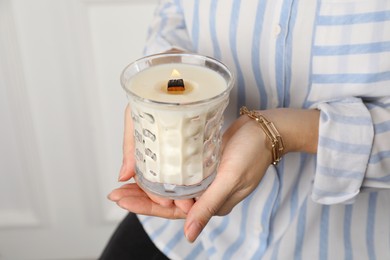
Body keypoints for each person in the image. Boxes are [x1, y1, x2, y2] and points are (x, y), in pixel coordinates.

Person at [102, 0, 390, 259]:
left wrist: (287, 132)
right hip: (175, 231)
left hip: (333, 240)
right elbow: (174, 11)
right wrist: (170, 66)